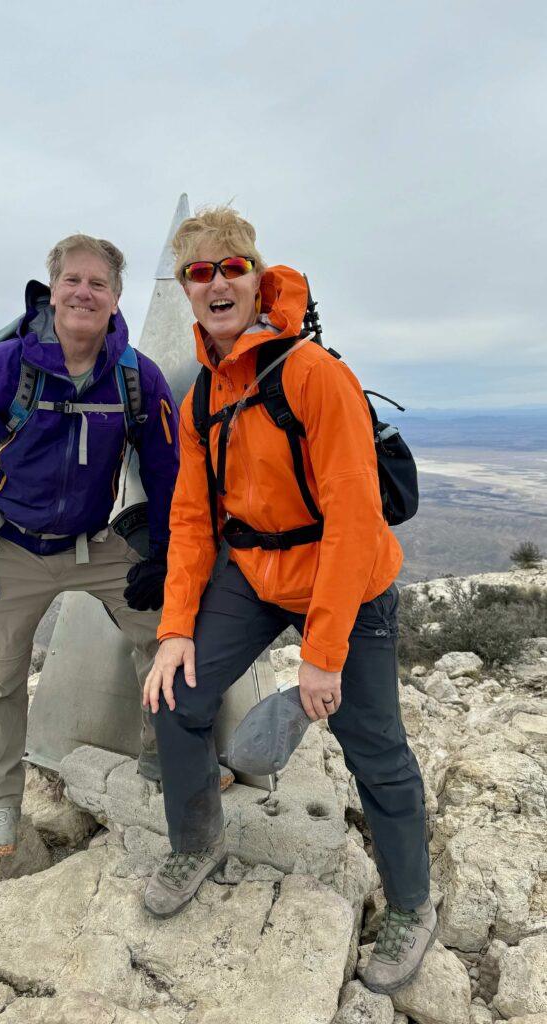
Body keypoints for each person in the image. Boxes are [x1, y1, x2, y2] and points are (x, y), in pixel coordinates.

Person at [142, 207, 435, 995]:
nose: (215, 283)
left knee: (372, 744)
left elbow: (352, 517)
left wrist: (322, 653)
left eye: (229, 267)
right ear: (186, 291)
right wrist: (175, 630)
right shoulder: (206, 392)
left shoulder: (312, 375)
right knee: (176, 696)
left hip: (346, 575)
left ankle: (411, 901)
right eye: (197, 273)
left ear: (255, 275)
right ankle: (194, 842)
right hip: (256, 570)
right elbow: (193, 519)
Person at [0, 233, 179, 858]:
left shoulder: (135, 376)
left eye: (98, 283)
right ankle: (0, 801)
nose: (84, 292)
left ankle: (168, 762)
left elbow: (164, 470)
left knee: (165, 634)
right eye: (72, 280)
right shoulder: (2, 368)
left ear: (116, 296)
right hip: (12, 547)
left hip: (95, 541)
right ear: (52, 290)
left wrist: (161, 552)